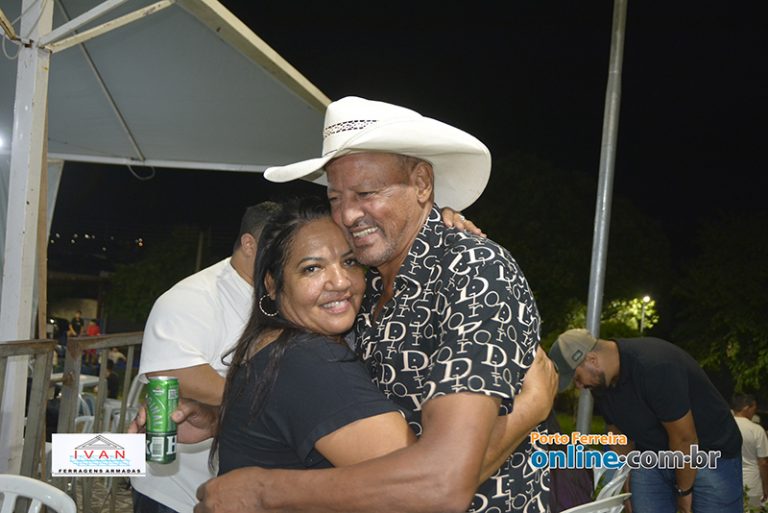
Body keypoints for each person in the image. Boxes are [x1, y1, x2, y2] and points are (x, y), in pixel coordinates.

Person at [190, 96, 558, 513]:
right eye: (335, 198)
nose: (348, 215)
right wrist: (233, 417)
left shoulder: (472, 271)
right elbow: (342, 411)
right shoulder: (365, 284)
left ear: (422, 183)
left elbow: (443, 482)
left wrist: (261, 490)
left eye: (366, 193)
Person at [214, 197, 417, 474]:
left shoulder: (275, 345)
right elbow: (416, 481)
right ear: (272, 284)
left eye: (350, 262)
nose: (340, 282)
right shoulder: (310, 361)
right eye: (312, 268)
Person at [130, 201, 281, 513]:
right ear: (249, 244)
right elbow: (177, 373)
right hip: (176, 492)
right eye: (279, 246)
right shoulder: (193, 297)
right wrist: (280, 407)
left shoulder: (272, 297)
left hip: (235, 491)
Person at [549, 328, 743, 513]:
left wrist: (684, 492)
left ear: (592, 360)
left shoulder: (654, 366)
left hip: (706, 455)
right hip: (650, 455)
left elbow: (684, 439)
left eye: (577, 378)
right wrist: (624, 485)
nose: (579, 385)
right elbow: (618, 433)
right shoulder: (600, 383)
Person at [732, 393, 768, 508]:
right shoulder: (757, 430)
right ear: (747, 408)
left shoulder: (725, 427)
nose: (754, 412)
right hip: (752, 485)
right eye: (754, 408)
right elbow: (763, 463)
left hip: (728, 482)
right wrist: (766, 488)